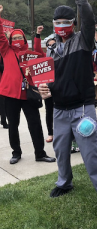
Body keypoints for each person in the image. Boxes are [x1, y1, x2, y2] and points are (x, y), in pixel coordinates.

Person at [38, 0, 97, 210]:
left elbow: (90, 19)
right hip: (59, 109)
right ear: (53, 25)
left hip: (82, 107)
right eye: (57, 22)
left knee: (92, 152)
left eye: (66, 22)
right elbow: (50, 80)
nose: (62, 25)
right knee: (60, 150)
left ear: (73, 23)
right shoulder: (52, 50)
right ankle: (64, 182)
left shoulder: (82, 40)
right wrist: (45, 89)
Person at [0, 22, 56, 164]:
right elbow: (1, 37)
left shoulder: (30, 54)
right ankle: (16, 153)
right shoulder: (6, 51)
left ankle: (40, 153)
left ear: (25, 40)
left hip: (28, 94)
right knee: (13, 125)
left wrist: (37, 36)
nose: (17, 40)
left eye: (20, 37)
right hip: (11, 94)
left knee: (35, 124)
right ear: (10, 40)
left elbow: (40, 55)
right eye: (15, 38)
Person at [34, 26, 55, 143]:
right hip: (48, 88)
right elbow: (37, 49)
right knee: (49, 110)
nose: (51, 46)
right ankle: (51, 133)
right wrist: (38, 34)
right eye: (49, 45)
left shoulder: (62, 55)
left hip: (61, 88)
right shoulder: (44, 57)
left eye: (53, 44)